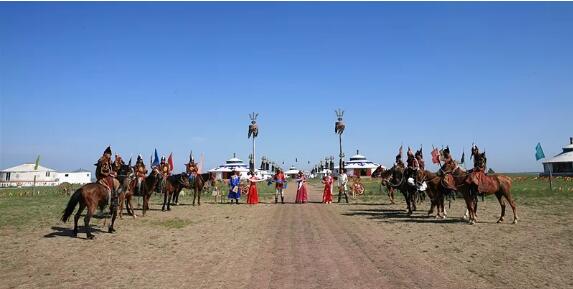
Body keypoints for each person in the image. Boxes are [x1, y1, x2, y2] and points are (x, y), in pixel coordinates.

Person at [94, 146, 118, 232]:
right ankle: (110, 198)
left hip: (107, 176)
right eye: (109, 154)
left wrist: (114, 166)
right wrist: (110, 173)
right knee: (111, 185)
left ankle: (115, 195)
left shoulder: (108, 160)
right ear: (105, 154)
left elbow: (113, 167)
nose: (109, 155)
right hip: (102, 177)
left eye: (110, 154)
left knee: (115, 181)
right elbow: (102, 171)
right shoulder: (103, 160)